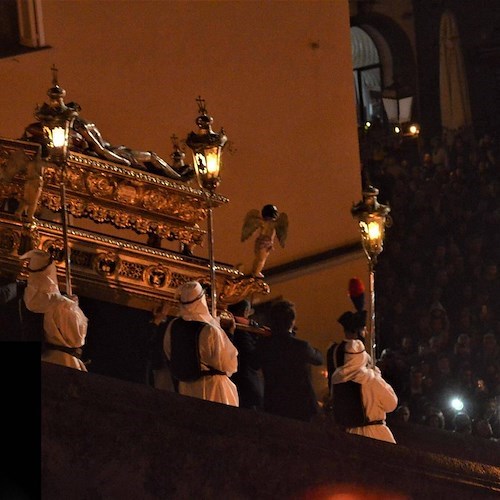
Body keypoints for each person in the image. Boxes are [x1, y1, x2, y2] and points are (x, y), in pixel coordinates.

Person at [163, 281, 239, 406]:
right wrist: (228, 334)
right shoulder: (209, 331)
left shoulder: (173, 326)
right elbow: (228, 364)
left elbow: (168, 352)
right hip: (212, 388)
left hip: (186, 387)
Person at [255, 300, 323, 422]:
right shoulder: (301, 346)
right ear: (292, 321)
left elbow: (254, 364)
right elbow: (319, 359)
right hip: (301, 407)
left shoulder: (264, 346)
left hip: (274, 405)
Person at [21, 249, 88, 371]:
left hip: (61, 361)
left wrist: (69, 304)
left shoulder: (61, 305)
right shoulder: (57, 303)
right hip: (56, 360)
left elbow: (77, 336)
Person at [330, 339, 398, 443]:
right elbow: (391, 404)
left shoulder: (337, 379)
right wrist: (378, 377)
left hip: (348, 434)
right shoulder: (371, 380)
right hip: (375, 433)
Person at [227, 299, 264, 410]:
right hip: (246, 382)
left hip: (233, 380)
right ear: (245, 311)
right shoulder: (243, 332)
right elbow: (252, 359)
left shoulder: (226, 327)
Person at [241, 204, 288, 278]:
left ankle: (255, 271)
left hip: (260, 241)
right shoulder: (272, 224)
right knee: (261, 259)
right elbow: (268, 234)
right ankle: (256, 272)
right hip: (265, 243)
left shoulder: (262, 222)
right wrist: (270, 242)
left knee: (259, 258)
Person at [326, 309, 367, 392]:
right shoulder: (359, 352)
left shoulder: (333, 349)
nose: (366, 332)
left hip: (339, 397)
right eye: (364, 329)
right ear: (357, 331)